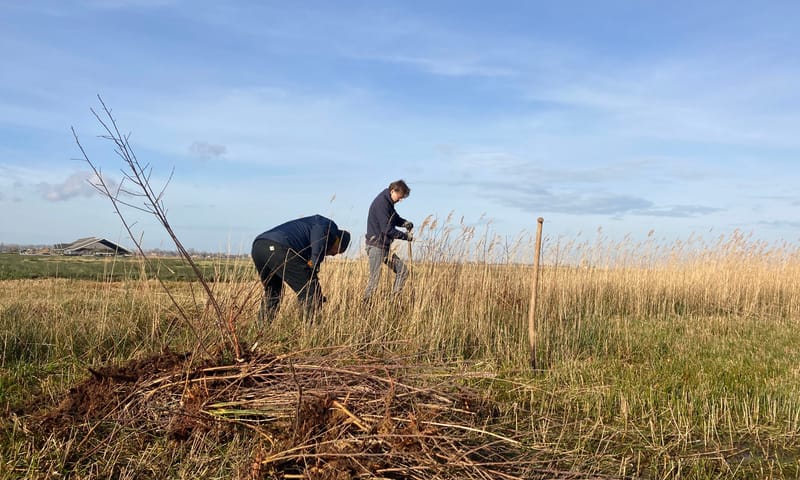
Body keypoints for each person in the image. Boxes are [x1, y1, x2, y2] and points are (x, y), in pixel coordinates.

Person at [251, 214, 350, 323]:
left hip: (259, 246)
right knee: (309, 292)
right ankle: (309, 332)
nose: (333, 255)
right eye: (336, 252)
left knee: (273, 291)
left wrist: (312, 271)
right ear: (337, 241)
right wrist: (314, 263)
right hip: (279, 246)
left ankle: (260, 329)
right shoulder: (328, 226)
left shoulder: (305, 240)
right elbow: (319, 233)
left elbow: (305, 269)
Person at [364, 179, 413, 303]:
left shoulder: (388, 202)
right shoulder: (382, 203)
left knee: (403, 272)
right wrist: (405, 236)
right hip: (376, 247)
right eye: (400, 197)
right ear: (392, 191)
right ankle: (365, 306)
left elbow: (394, 218)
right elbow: (387, 230)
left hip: (384, 247)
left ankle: (392, 302)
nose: (400, 200)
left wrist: (405, 223)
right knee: (374, 281)